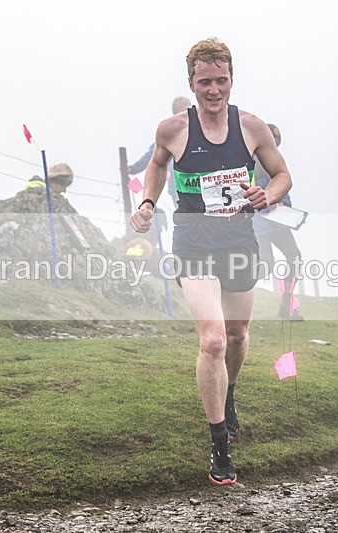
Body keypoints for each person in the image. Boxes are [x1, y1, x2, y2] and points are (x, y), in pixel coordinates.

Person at [130, 37, 292, 486]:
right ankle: (219, 445)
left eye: (221, 80)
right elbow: (158, 166)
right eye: (205, 81)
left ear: (231, 80)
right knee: (214, 340)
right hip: (194, 244)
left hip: (238, 241)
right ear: (192, 83)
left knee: (238, 336)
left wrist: (268, 194)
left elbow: (282, 174)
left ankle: (230, 393)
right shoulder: (172, 130)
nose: (214, 89)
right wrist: (147, 202)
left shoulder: (253, 128)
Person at [253, 123, 303, 320]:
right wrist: (270, 203)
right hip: (258, 227)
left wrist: (288, 210)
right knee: (262, 266)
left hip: (278, 225)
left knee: (295, 258)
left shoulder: (275, 164)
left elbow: (284, 193)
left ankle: (286, 307)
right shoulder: (252, 165)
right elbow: (248, 197)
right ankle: (229, 306)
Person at [128, 96, 192, 203]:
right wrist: (133, 169)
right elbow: (152, 156)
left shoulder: (203, 131)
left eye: (189, 108)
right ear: (176, 113)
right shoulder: (169, 136)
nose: (188, 112)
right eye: (184, 109)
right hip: (179, 190)